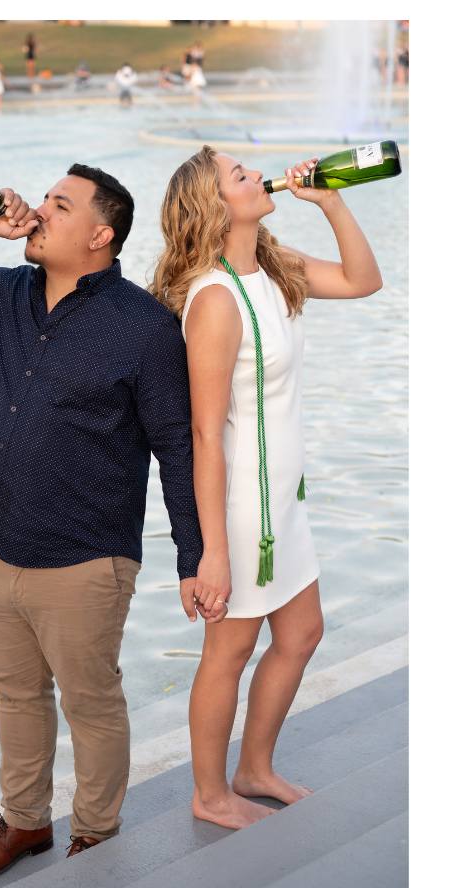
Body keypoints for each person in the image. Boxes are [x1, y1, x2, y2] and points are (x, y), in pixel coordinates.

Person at [0, 167, 204, 875]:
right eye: (43, 200)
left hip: (85, 560)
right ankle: (24, 824)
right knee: (15, 698)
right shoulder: (5, 294)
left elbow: (176, 451)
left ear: (100, 234)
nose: (38, 211)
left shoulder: (146, 328)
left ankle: (95, 836)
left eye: (59, 207)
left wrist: (194, 560)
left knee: (91, 705)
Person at [150, 148, 382, 830]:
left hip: (284, 498)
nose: (257, 174)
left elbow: (365, 281)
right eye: (238, 174)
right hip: (244, 512)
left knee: (302, 632)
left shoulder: (273, 267)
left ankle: (255, 768)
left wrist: (332, 201)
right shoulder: (216, 298)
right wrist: (210, 553)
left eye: (250, 166)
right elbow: (204, 434)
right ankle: (210, 793)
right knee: (229, 650)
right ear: (214, 205)